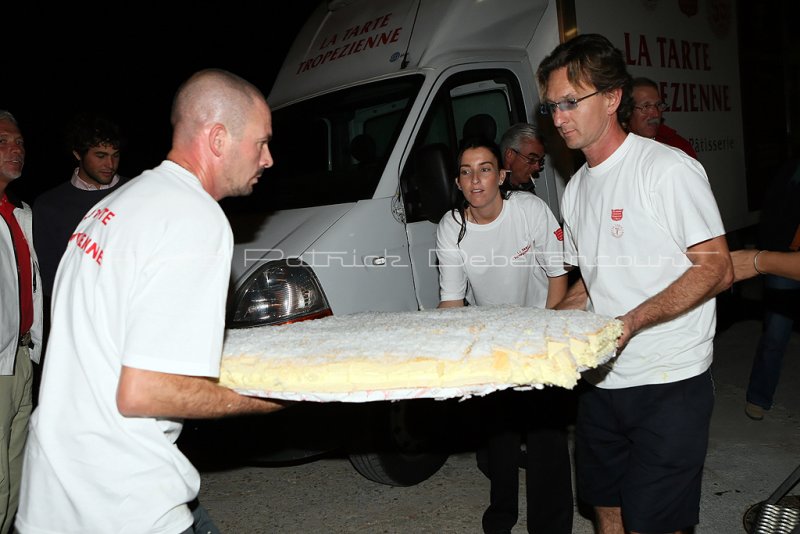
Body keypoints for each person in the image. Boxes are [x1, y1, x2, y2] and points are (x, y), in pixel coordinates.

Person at [17, 69, 289, 534]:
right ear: (218, 138)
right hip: (125, 501)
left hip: (52, 493)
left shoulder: (119, 204)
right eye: (260, 142)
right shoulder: (195, 220)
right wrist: (267, 397)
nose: (268, 158)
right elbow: (144, 391)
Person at [536, 34, 733, 534]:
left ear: (611, 98)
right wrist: (538, 328)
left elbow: (715, 267)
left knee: (654, 523)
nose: (558, 118)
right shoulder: (576, 187)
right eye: (551, 107)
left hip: (669, 382)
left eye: (568, 103)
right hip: (602, 383)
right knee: (605, 508)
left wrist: (633, 321)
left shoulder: (665, 169)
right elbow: (591, 283)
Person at [435, 137, 571, 533]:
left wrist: (549, 334)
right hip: (491, 337)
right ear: (457, 182)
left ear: (502, 175)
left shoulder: (529, 211)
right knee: (500, 436)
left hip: (540, 326)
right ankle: (500, 518)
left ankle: (551, 527)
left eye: (485, 169)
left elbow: (558, 276)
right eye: (466, 171)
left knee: (547, 436)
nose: (476, 180)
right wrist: (449, 358)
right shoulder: (451, 227)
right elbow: (451, 301)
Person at [32, 113, 131, 405]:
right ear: (78, 154)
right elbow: (49, 278)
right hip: (79, 328)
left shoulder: (135, 192)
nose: (110, 164)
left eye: (115, 155)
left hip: (131, 322)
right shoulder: (50, 205)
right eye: (100, 155)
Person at [730, 157, 800, 421]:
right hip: (785, 261)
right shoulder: (791, 169)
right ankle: (758, 396)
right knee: (775, 334)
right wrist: (766, 255)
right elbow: (772, 212)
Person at [0, 111, 42, 534]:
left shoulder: (21, 213)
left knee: (16, 470)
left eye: (19, 142)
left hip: (23, 356)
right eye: (3, 142)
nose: (16, 150)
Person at [627, 76, 698, 159]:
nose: (656, 114)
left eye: (658, 105)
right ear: (627, 111)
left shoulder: (679, 148)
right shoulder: (614, 149)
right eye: (646, 106)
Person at [499, 122, 546, 193]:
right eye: (532, 159)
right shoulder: (492, 195)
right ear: (510, 155)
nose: (537, 167)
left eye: (540, 161)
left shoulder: (528, 191)